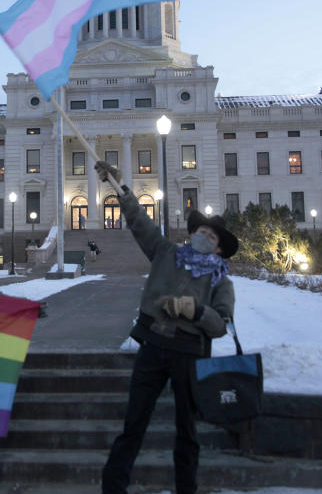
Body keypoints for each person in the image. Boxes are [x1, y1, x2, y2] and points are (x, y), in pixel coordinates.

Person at [94, 161, 238, 494]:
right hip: (154, 348)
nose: (203, 236)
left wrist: (196, 310)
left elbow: (221, 325)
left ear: (218, 248)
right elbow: (140, 222)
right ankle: (113, 489)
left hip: (190, 356)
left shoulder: (221, 282)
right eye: (200, 231)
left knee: (187, 431)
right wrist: (119, 186)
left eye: (210, 235)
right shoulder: (167, 253)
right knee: (133, 425)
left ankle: (186, 489)